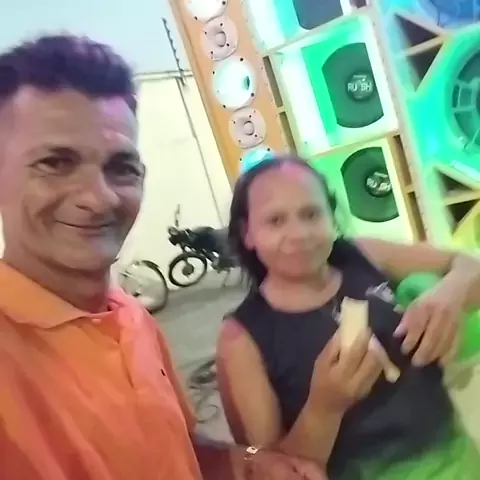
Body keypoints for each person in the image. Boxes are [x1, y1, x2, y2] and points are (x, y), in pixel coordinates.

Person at [0, 35, 325, 480]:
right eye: (56, 163)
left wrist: (251, 462)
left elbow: (182, 447)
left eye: (121, 167)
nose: (99, 197)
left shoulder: (132, 318)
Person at [217, 155, 480, 480]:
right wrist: (324, 408)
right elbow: (269, 470)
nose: (299, 233)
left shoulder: (363, 254)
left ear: (332, 216)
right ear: (247, 234)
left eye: (311, 214)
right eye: (275, 220)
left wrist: (449, 294)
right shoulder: (240, 338)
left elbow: (468, 265)